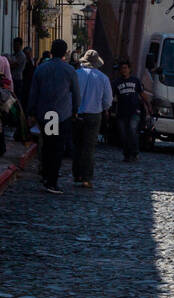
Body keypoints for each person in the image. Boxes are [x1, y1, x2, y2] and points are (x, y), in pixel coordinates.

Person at [27, 38, 80, 195]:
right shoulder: (69, 70)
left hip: (46, 113)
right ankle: (52, 180)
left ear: (51, 51)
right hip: (61, 114)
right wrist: (76, 110)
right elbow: (76, 93)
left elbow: (33, 92)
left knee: (48, 145)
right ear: (65, 53)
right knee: (56, 148)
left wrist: (31, 111)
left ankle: (46, 174)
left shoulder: (41, 68)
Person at [74, 49, 112, 188]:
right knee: (89, 147)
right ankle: (86, 177)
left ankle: (77, 174)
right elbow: (107, 101)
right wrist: (100, 107)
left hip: (77, 114)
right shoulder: (103, 78)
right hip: (94, 115)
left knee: (77, 145)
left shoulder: (76, 74)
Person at [112, 60, 148, 162]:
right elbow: (111, 96)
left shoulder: (135, 81)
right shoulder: (116, 82)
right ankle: (127, 154)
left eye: (125, 68)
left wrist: (148, 106)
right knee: (123, 135)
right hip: (121, 112)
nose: (124, 70)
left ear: (129, 69)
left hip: (134, 111)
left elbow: (142, 94)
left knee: (132, 130)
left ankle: (135, 153)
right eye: (122, 68)